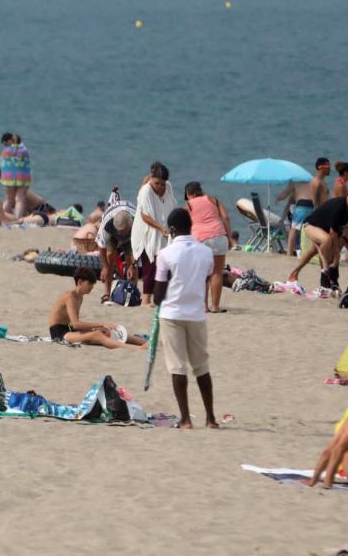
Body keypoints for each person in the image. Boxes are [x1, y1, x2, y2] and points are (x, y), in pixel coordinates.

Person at [153, 208, 218, 429]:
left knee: (177, 367)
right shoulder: (206, 252)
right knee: (201, 366)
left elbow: (158, 294)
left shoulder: (165, 254)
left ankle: (186, 418)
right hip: (197, 314)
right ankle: (210, 418)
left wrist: (167, 287)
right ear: (190, 226)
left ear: (171, 230)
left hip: (171, 314)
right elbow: (206, 276)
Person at [47, 268, 148, 348]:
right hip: (59, 333)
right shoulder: (70, 296)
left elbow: (75, 325)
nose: (92, 287)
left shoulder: (80, 297)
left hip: (69, 329)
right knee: (98, 335)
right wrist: (101, 324)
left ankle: (147, 343)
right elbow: (76, 324)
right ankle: (137, 349)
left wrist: (101, 327)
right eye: (90, 284)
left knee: (110, 332)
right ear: (80, 282)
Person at [287, 193, 348, 288]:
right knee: (326, 241)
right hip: (311, 225)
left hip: (324, 229)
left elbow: (343, 232)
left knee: (313, 251)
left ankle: (294, 273)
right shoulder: (340, 207)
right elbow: (333, 233)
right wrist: (337, 255)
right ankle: (325, 275)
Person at [132, 163, 176, 307]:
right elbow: (145, 216)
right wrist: (160, 227)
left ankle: (161, 298)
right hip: (146, 232)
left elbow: (171, 205)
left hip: (162, 230)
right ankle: (146, 300)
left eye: (162, 184)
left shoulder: (168, 187)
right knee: (149, 266)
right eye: (157, 183)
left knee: (164, 265)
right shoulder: (146, 191)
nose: (160, 187)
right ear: (152, 179)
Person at [184, 181, 232, 313]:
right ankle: (215, 306)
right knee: (217, 272)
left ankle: (203, 307)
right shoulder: (213, 200)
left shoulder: (188, 205)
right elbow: (226, 217)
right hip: (219, 236)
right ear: (201, 191)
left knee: (202, 274)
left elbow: (184, 224)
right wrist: (230, 237)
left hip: (200, 239)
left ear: (188, 194)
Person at [0, 132, 32, 218]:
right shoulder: (24, 150)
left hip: (8, 178)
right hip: (23, 178)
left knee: (9, 200)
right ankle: (17, 219)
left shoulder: (5, 151)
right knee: (19, 199)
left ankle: (2, 217)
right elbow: (27, 164)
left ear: (9, 140)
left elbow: (2, 165)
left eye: (5, 143)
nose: (5, 146)